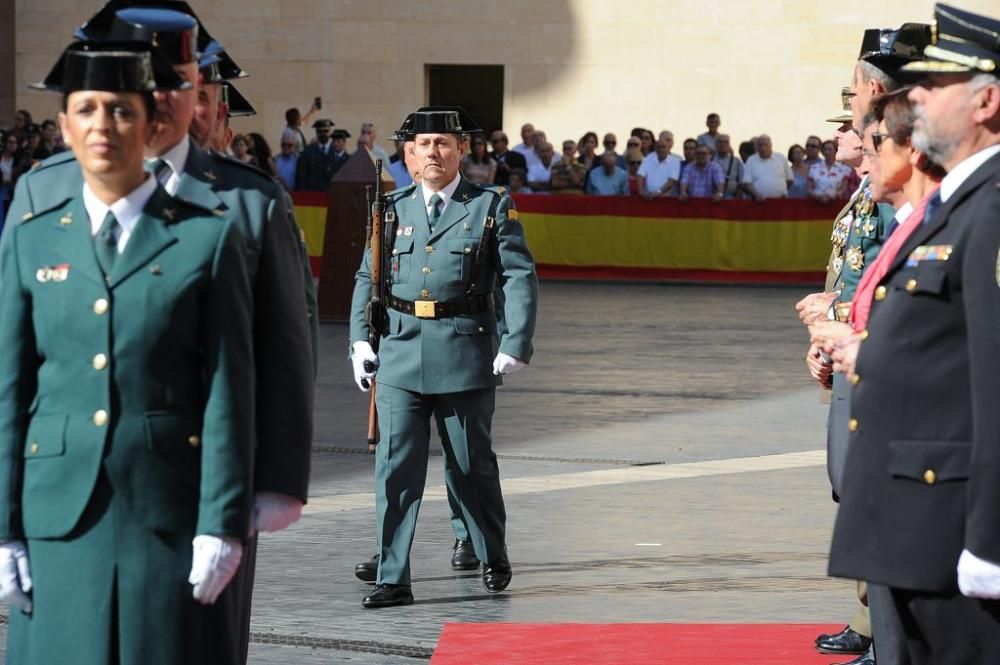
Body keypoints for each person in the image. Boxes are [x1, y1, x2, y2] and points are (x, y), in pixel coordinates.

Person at [8, 7, 317, 664]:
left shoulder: (245, 200)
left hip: (199, 474)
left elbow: (281, 349)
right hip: (62, 485)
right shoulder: (42, 194)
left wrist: (276, 478)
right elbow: (15, 361)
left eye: (177, 81)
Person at [822, 7, 1000, 662]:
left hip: (954, 539)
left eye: (933, 85)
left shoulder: (992, 207)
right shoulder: (958, 203)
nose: (913, 97)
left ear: (986, 100)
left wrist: (990, 545)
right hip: (912, 529)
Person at [348, 108, 538, 608]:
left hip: (464, 353)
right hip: (401, 353)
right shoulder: (390, 209)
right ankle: (393, 576)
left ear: (460, 151)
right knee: (394, 470)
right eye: (424, 144)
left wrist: (515, 341)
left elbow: (519, 276)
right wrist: (359, 341)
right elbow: (368, 278)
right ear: (409, 154)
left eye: (443, 144)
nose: (434, 153)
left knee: (471, 465)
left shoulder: (490, 206)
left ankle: (491, 553)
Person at [740, 135, 792, 200]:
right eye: (760, 145)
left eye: (765, 145)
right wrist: (756, 194)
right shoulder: (751, 160)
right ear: (756, 147)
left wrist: (782, 191)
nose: (763, 148)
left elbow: (790, 179)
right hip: (758, 202)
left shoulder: (780, 158)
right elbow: (747, 182)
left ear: (771, 146)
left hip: (780, 201)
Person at [295, 118, 338, 191]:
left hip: (332, 194)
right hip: (313, 195)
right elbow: (302, 177)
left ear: (330, 132)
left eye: (325, 131)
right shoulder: (307, 152)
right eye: (319, 131)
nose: (323, 134)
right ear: (316, 133)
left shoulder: (336, 151)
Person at [808, 140, 853, 204]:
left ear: (835, 151)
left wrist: (832, 196)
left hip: (836, 203)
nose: (827, 152)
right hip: (816, 202)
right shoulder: (814, 168)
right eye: (825, 149)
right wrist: (818, 196)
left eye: (830, 149)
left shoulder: (844, 169)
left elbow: (844, 188)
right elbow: (809, 189)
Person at [712, 134, 744, 199]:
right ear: (715, 144)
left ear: (729, 145)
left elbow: (742, 182)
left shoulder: (737, 161)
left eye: (725, 142)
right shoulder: (710, 160)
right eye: (720, 142)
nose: (723, 144)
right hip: (712, 198)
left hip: (731, 199)